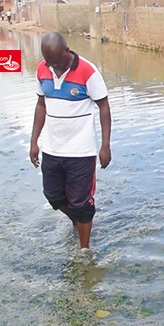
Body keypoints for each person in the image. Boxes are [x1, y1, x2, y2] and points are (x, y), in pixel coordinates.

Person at [29, 32, 112, 249]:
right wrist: (34, 141)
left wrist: (105, 146)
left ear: (67, 51)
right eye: (50, 63)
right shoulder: (42, 69)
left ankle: (84, 250)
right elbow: (41, 105)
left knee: (81, 202)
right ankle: (78, 221)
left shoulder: (88, 70)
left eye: (58, 62)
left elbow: (103, 106)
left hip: (80, 151)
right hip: (52, 148)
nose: (55, 67)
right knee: (53, 195)